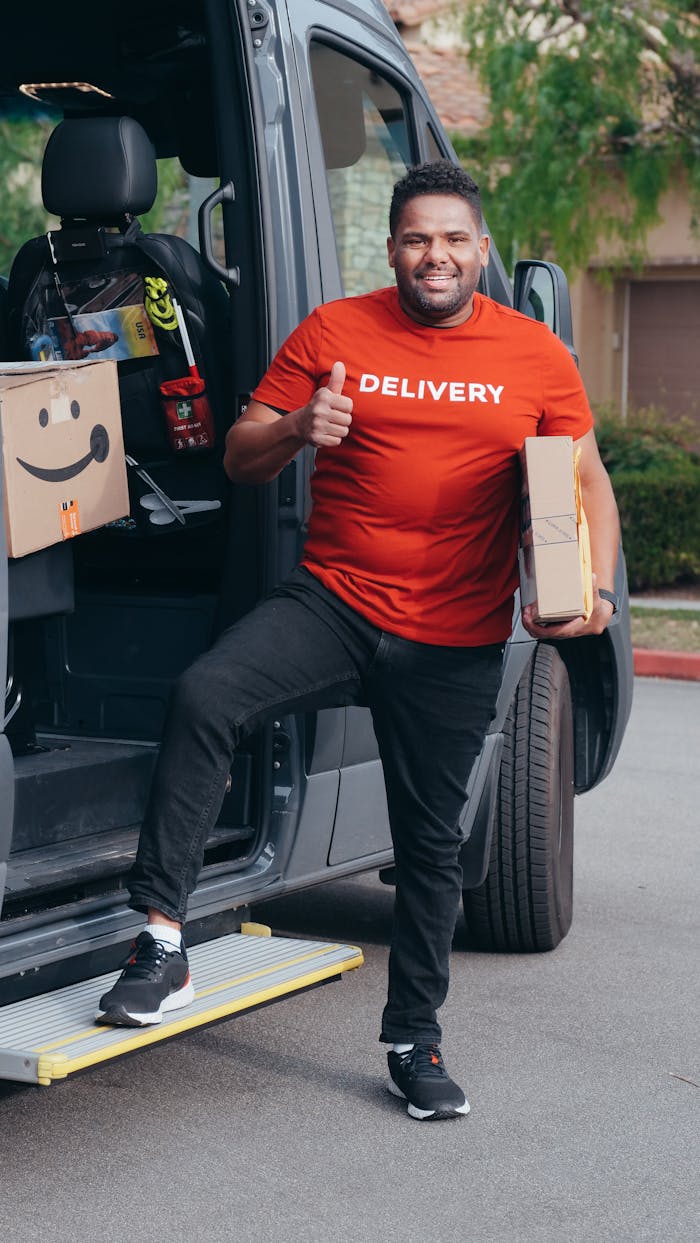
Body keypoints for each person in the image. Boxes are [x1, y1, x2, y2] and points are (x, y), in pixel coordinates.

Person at [96, 161, 620, 1121]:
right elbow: (240, 454)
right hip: (335, 601)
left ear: (482, 250)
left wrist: (594, 591)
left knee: (430, 847)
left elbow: (583, 478)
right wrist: (300, 424)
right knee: (206, 695)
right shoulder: (335, 331)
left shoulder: (535, 352)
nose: (437, 255)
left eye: (455, 239)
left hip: (458, 630)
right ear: (391, 249)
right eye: (419, 238)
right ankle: (163, 943)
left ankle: (413, 1042)